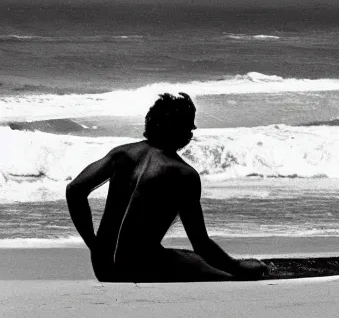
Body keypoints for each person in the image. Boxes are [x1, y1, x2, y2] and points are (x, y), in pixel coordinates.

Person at [66, 92, 267, 282]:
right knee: (209, 266)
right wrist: (235, 266)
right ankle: (235, 271)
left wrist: (94, 245)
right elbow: (200, 242)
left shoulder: (121, 154)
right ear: (177, 129)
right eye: (189, 125)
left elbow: (74, 190)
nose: (192, 130)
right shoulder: (183, 174)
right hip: (139, 268)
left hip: (103, 267)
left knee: (187, 256)